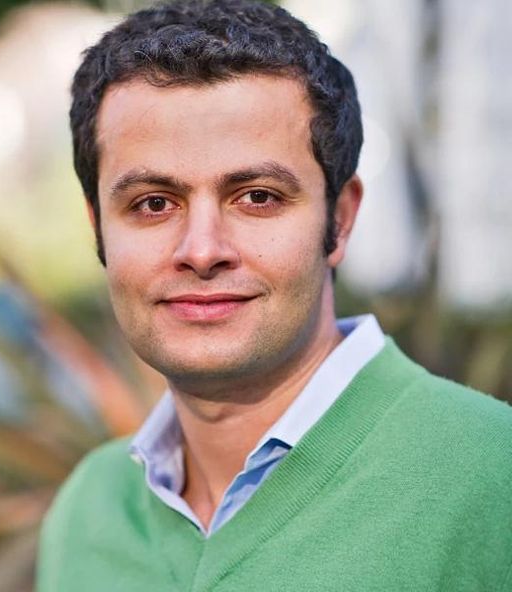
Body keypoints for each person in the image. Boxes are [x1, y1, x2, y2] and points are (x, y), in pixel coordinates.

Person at [37, 1, 512, 590]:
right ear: (98, 229)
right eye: (153, 203)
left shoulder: (494, 477)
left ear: (339, 219)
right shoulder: (86, 512)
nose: (202, 250)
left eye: (257, 197)